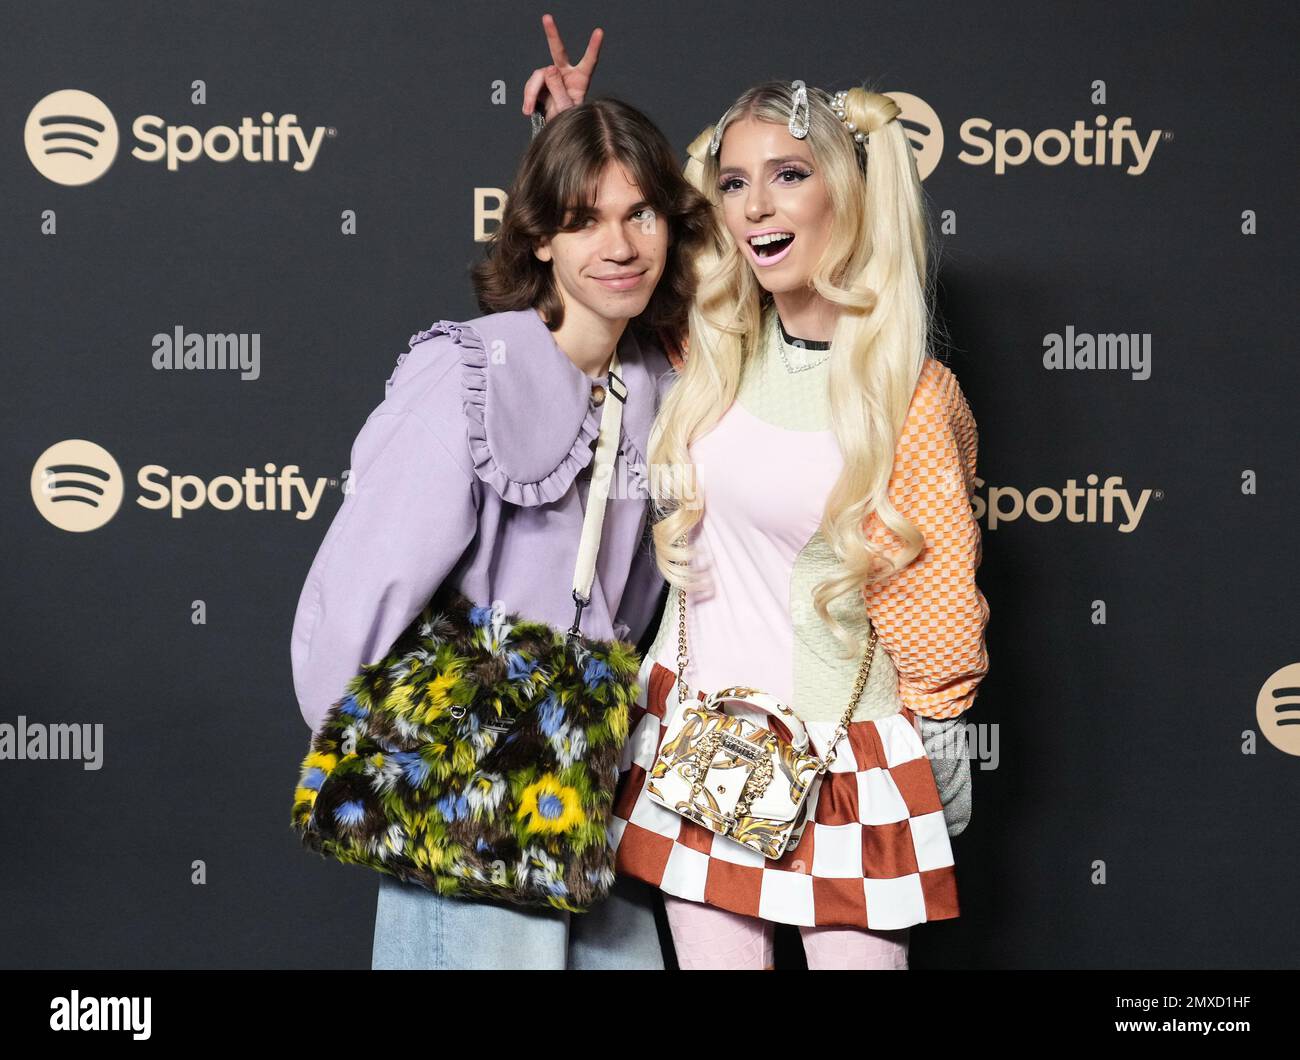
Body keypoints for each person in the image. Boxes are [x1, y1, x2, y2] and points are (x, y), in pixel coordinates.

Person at [524, 17, 990, 970]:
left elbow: (937, 617)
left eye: (787, 174)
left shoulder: (909, 399)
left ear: (846, 193)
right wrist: (569, 137)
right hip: (698, 737)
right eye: (733, 182)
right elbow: (609, 262)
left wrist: (938, 747)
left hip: (838, 760)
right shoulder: (714, 345)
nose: (753, 205)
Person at [289, 89, 716, 969]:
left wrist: (578, 124)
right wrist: (398, 756)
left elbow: (737, 237)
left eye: (641, 214)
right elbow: (365, 585)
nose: (621, 245)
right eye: (583, 219)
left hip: (597, 784)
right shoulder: (471, 373)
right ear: (539, 238)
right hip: (471, 779)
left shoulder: (665, 379)